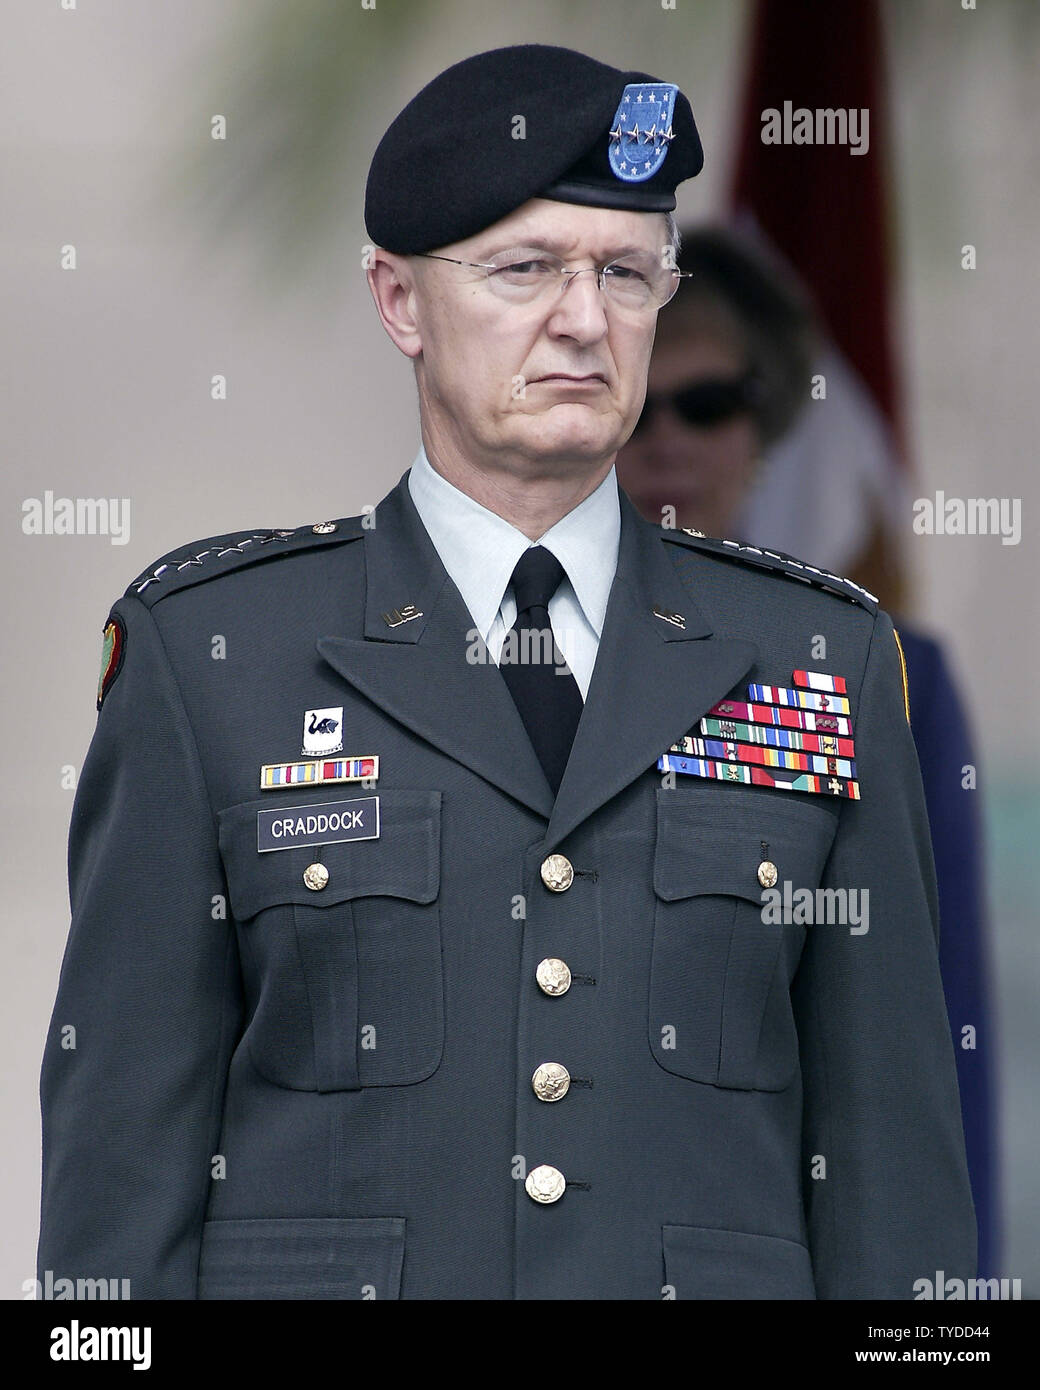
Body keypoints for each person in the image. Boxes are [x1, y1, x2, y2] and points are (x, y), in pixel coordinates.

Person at [36, 43, 975, 1300]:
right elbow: (119, 1176)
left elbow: (888, 1164)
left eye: (626, 273)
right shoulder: (213, 656)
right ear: (398, 300)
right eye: (525, 267)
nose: (584, 319)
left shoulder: (816, 660)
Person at [617, 226, 999, 1277]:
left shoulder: (886, 672)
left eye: (706, 403)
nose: (668, 441)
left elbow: (938, 1043)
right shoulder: (503, 657)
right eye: (636, 407)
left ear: (767, 422)